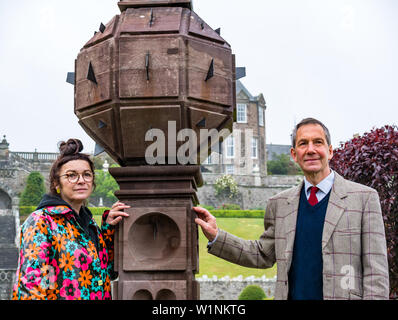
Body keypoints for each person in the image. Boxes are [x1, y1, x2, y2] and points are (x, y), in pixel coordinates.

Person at [194, 118, 390, 300]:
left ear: (330, 151)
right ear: (294, 155)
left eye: (318, 142)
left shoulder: (364, 199)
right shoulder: (279, 204)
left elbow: (376, 273)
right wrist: (216, 236)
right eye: (303, 143)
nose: (311, 149)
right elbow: (262, 254)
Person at [12, 139, 130, 300]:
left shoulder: (89, 224)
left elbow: (107, 272)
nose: (81, 180)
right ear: (56, 183)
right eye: (71, 175)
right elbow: (33, 287)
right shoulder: (42, 222)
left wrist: (108, 228)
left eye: (87, 175)